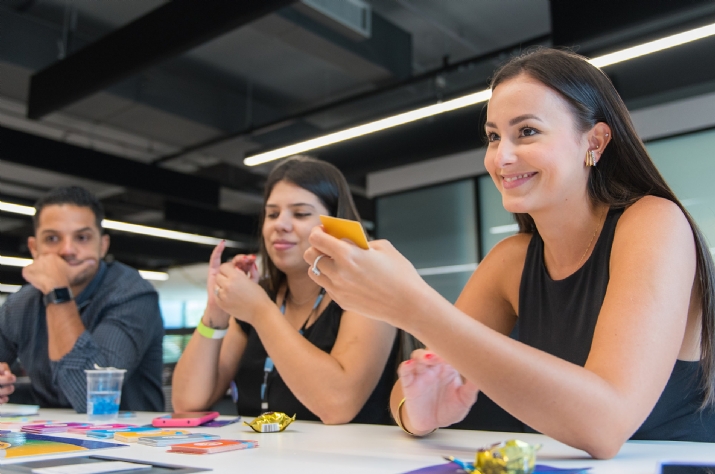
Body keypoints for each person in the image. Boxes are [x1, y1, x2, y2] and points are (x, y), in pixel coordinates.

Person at [303, 48, 715, 458]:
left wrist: (414, 307)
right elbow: (403, 397)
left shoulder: (653, 223)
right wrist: (421, 411)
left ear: (595, 141)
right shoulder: (511, 260)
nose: (501, 157)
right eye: (494, 136)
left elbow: (606, 425)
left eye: (528, 132)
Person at [172, 156, 397, 424]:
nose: (280, 224)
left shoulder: (367, 292)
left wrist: (260, 312)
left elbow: (338, 405)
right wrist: (216, 312)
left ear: (336, 225)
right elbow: (187, 402)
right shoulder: (261, 296)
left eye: (301, 213)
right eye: (272, 214)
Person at [0, 186, 164, 412]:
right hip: (52, 438)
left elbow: (90, 398)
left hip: (128, 441)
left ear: (103, 246)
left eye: (82, 237)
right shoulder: (20, 304)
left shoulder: (133, 295)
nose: (67, 250)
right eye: (52, 238)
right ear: (34, 248)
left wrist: (57, 291)